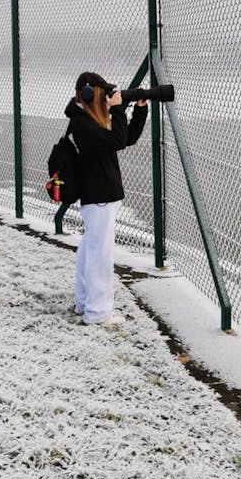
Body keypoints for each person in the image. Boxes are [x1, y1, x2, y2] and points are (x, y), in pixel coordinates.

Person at [65, 71, 147, 326]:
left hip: (100, 196)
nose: (107, 98)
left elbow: (127, 137)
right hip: (98, 196)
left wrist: (140, 110)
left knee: (91, 248)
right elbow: (118, 140)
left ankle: (85, 302)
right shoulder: (82, 124)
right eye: (104, 94)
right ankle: (98, 312)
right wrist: (119, 108)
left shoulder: (89, 119)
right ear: (90, 94)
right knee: (100, 254)